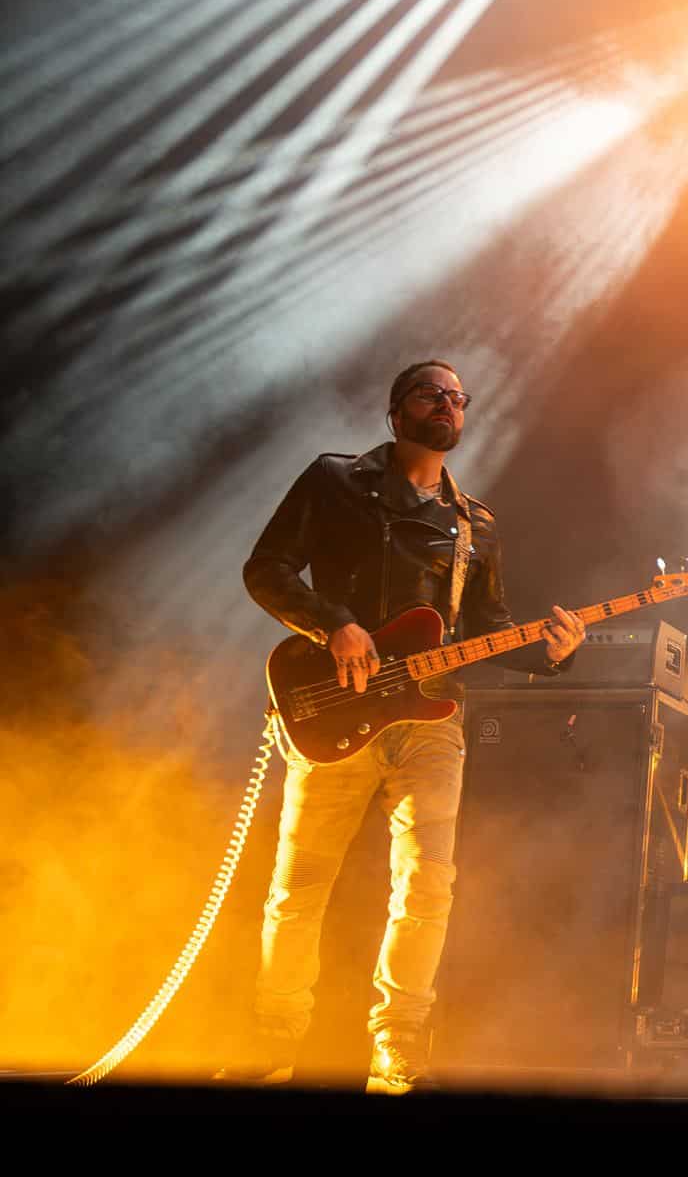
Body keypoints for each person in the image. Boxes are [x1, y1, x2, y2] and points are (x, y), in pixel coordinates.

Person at [219, 360, 585, 1093]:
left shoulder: (475, 523)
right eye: (430, 393)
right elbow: (267, 570)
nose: (447, 403)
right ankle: (273, 1039)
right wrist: (333, 624)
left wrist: (551, 655)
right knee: (299, 886)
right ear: (396, 411)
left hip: (431, 720)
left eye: (458, 397)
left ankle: (398, 1046)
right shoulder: (334, 480)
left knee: (427, 885)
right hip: (332, 703)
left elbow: (488, 628)